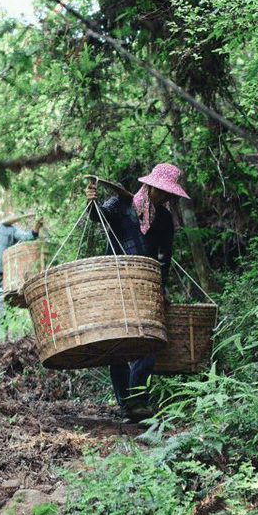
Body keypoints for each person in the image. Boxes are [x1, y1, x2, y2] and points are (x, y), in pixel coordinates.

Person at [84, 162, 191, 419]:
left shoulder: (164, 218)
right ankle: (126, 404)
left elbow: (165, 256)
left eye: (168, 194)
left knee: (149, 340)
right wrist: (92, 202)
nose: (164, 196)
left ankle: (137, 400)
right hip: (116, 280)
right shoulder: (121, 204)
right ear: (150, 186)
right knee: (117, 342)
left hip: (145, 284)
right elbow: (99, 216)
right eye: (160, 191)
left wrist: (161, 287)